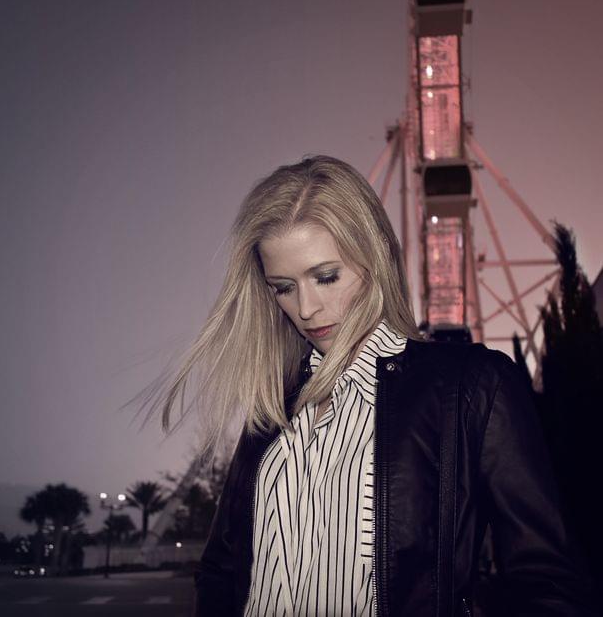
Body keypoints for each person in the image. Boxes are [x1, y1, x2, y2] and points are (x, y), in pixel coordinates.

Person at [158, 156, 595, 616]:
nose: (306, 308)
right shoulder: (272, 409)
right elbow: (221, 571)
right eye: (283, 287)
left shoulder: (471, 388)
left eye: (326, 277)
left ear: (377, 256)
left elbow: (550, 583)